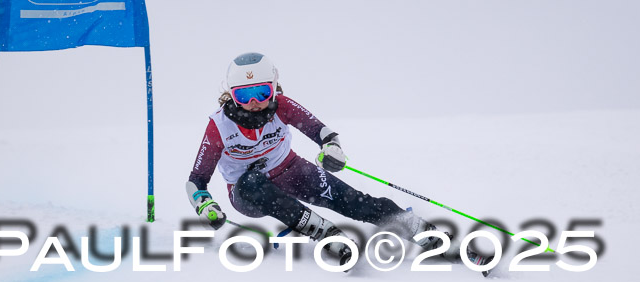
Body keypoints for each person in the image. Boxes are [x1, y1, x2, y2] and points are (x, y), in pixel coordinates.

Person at [186, 52, 487, 267]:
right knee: (251, 180)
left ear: (274, 87)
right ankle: (326, 233)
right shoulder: (219, 126)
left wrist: (333, 150)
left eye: (261, 92)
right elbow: (196, 181)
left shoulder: (283, 107)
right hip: (248, 194)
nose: (253, 103)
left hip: (291, 171)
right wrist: (205, 205)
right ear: (231, 94)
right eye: (243, 95)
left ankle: (428, 235)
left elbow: (323, 133)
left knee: (355, 201)